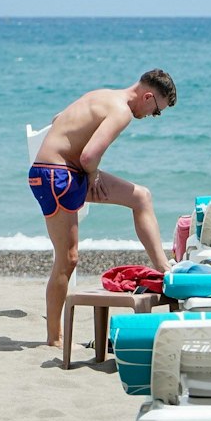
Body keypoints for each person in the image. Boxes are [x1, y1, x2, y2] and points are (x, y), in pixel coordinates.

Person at [29, 69, 177, 346]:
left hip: (61, 173)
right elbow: (88, 156)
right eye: (157, 110)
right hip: (57, 177)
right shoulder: (121, 111)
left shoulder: (102, 95)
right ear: (147, 96)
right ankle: (54, 338)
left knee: (141, 197)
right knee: (68, 258)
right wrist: (92, 174)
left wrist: (79, 161)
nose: (152, 116)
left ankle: (162, 265)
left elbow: (58, 119)